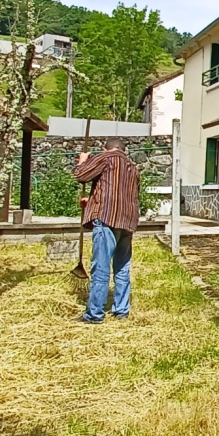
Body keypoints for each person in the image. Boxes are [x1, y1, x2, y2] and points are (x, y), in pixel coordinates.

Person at [73, 137, 141, 323]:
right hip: (127, 222)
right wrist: (91, 202)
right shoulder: (133, 167)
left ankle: (94, 314)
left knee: (101, 268)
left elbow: (81, 175)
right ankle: (121, 310)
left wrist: (82, 161)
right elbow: (124, 193)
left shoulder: (105, 158)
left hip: (107, 220)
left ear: (106, 149)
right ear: (124, 150)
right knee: (122, 268)